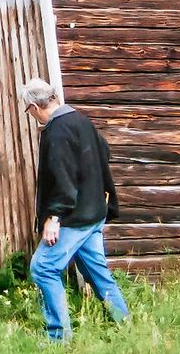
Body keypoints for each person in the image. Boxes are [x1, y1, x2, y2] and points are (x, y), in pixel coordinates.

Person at [20, 78, 129, 343]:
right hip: (94, 214)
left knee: (43, 268)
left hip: (74, 218)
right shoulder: (81, 121)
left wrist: (54, 217)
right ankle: (125, 325)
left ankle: (58, 337)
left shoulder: (57, 131)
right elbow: (104, 151)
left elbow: (64, 178)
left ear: (34, 107)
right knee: (96, 272)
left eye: (28, 111)